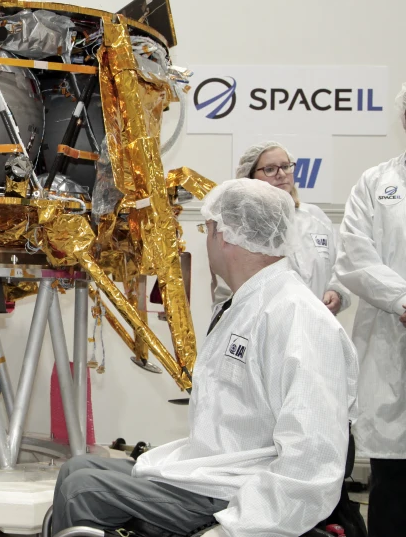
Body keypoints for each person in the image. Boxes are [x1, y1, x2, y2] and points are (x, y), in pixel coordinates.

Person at [53, 179, 358, 537]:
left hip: (238, 490)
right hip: (217, 471)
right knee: (77, 469)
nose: (206, 238)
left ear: (224, 234)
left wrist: (232, 531)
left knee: (83, 491)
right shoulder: (250, 303)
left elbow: (312, 459)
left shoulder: (297, 317)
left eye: (207, 228)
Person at [334, 83, 406, 537]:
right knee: (393, 485)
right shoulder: (377, 182)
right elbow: (354, 258)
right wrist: (402, 299)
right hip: (391, 340)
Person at [211, 141, 349, 316]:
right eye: (270, 169)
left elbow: (341, 264)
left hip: (318, 326)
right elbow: (227, 292)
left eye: (285, 166)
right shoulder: (241, 226)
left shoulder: (316, 218)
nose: (281, 174)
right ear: (249, 177)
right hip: (264, 328)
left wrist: (336, 291)